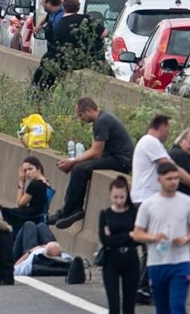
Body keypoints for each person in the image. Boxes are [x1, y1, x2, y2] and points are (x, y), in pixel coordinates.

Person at [134, 160, 190, 314]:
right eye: (169, 179)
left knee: (177, 305)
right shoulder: (149, 204)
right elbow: (137, 233)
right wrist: (154, 237)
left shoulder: (187, 202)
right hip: (157, 263)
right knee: (162, 308)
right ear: (159, 179)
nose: (173, 182)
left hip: (180, 262)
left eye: (176, 179)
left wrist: (186, 239)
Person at [54, 97, 135, 228]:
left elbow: (96, 152)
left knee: (79, 170)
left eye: (80, 115)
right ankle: (66, 211)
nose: (80, 118)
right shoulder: (102, 119)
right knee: (80, 167)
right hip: (114, 157)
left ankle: (71, 210)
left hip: (121, 161)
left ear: (88, 110)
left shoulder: (102, 121)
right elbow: (96, 151)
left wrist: (73, 161)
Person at [97, 176, 141, 314]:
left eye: (122, 197)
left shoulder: (135, 213)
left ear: (126, 195)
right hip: (111, 262)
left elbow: (138, 237)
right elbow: (105, 240)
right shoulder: (105, 214)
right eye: (115, 197)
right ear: (110, 196)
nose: (119, 201)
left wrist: (119, 236)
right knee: (114, 306)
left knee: (129, 305)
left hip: (131, 260)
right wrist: (127, 235)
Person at [131, 113, 175, 204]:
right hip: (146, 198)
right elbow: (171, 166)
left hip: (144, 198)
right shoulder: (151, 141)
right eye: (168, 129)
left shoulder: (147, 141)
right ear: (163, 127)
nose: (168, 133)